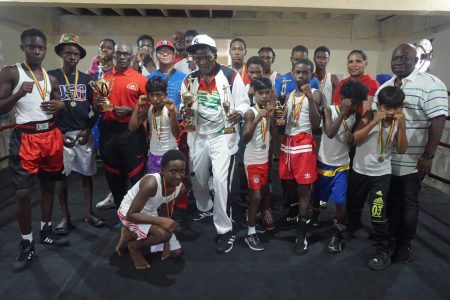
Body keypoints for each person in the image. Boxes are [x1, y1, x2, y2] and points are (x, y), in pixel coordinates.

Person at [0, 28, 67, 272]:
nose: (36, 51)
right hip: (26, 137)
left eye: (40, 48)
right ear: (23, 47)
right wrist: (18, 93)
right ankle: (26, 243)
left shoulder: (52, 79)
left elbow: (61, 105)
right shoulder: (10, 72)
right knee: (23, 194)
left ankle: (46, 230)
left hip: (50, 135)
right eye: (32, 47)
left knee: (49, 185)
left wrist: (60, 105)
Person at [378, 44, 448, 263]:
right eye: (395, 57)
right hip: (387, 159)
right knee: (390, 201)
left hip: (412, 159)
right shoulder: (386, 86)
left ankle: (404, 243)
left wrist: (428, 156)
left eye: (404, 58)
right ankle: (389, 238)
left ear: (415, 59)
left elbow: (438, 120)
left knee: (409, 202)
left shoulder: (431, 84)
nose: (398, 61)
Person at [180, 34, 250, 253]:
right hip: (199, 136)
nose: (202, 60)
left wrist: (239, 113)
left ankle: (224, 229)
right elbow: (186, 106)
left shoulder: (230, 76)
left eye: (206, 55)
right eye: (197, 56)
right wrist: (186, 112)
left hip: (222, 137)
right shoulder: (189, 80)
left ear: (214, 54)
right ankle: (205, 206)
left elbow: (244, 103)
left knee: (221, 182)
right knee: (198, 177)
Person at [48, 33, 104, 234]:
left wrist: (89, 129)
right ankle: (65, 217)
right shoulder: (51, 76)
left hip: (82, 133)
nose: (72, 56)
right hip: (60, 134)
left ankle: (88, 213)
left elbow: (96, 107)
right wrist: (55, 132)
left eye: (75, 53)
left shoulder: (88, 80)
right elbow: (44, 108)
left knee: (86, 176)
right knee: (60, 178)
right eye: (68, 52)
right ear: (61, 54)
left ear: (80, 56)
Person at [347, 86, 408, 270]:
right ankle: (352, 228)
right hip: (359, 170)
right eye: (386, 108)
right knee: (353, 205)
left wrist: (403, 126)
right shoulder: (368, 115)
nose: (390, 112)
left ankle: (383, 250)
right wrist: (374, 122)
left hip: (381, 174)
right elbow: (355, 140)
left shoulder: (398, 121)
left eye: (395, 108)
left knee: (377, 212)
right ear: (380, 105)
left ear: (400, 107)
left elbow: (402, 149)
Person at [311, 79, 368, 253]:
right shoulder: (329, 110)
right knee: (318, 196)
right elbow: (329, 133)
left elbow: (356, 139)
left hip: (342, 165)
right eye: (351, 103)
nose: (353, 108)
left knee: (340, 201)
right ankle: (314, 215)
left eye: (357, 104)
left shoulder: (357, 116)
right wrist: (342, 114)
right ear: (342, 98)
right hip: (324, 162)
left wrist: (354, 140)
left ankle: (338, 234)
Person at [276, 59, 322, 254]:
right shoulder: (288, 95)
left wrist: (310, 99)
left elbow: (316, 123)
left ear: (311, 75)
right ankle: (298, 214)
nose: (301, 76)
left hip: (304, 145)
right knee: (287, 185)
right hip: (287, 144)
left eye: (305, 73)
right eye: (298, 72)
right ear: (293, 73)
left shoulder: (315, 93)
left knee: (304, 190)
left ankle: (301, 233)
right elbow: (284, 122)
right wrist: (278, 115)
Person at [95, 43, 148, 209]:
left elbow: (150, 108)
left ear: (132, 57)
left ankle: (137, 215)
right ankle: (121, 212)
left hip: (132, 132)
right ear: (114, 56)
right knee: (112, 175)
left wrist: (131, 111)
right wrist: (99, 104)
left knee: (136, 176)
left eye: (126, 54)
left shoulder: (141, 80)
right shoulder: (104, 79)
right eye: (119, 53)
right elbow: (96, 105)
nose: (123, 57)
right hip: (109, 131)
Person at [115, 150, 186, 269]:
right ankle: (134, 246)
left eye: (182, 171)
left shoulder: (181, 188)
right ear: (163, 170)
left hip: (150, 213)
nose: (178, 176)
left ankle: (129, 234)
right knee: (163, 234)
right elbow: (131, 215)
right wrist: (162, 225)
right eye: (173, 171)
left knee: (176, 252)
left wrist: (166, 241)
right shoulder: (151, 183)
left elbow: (166, 212)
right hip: (128, 212)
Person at [147, 40, 190, 221]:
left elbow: (188, 102)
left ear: (174, 55)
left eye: (168, 51)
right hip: (157, 126)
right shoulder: (150, 77)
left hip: (177, 125)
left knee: (179, 168)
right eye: (161, 51)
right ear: (156, 54)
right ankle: (158, 203)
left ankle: (178, 201)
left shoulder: (183, 77)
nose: (164, 54)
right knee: (159, 170)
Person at [242, 77, 276, 250]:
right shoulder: (250, 112)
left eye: (267, 93)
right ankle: (250, 233)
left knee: (262, 195)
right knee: (255, 197)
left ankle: (255, 224)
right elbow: (245, 139)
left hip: (264, 160)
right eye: (260, 93)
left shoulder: (269, 110)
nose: (264, 96)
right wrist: (256, 120)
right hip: (252, 161)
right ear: (253, 93)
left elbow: (269, 135)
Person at [129, 76, 180, 173]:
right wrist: (138, 105)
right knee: (155, 186)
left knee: (169, 187)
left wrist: (173, 112)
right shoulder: (149, 108)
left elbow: (176, 134)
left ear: (165, 94)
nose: (155, 99)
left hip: (170, 155)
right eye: (152, 95)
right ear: (147, 96)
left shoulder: (169, 108)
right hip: (153, 155)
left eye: (158, 95)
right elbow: (132, 127)